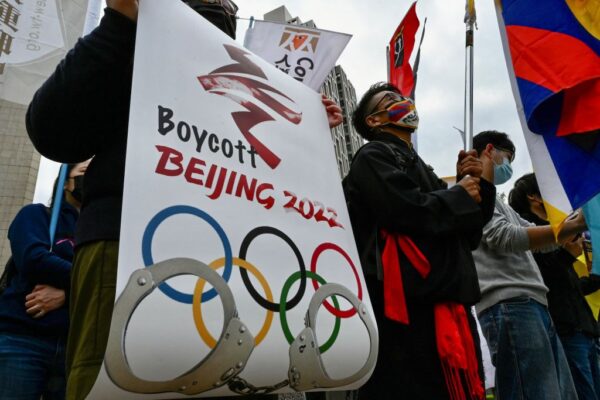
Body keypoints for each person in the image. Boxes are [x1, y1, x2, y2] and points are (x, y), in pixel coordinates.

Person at [26, 1, 342, 399]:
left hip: (238, 262)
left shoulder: (249, 83)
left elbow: (275, 189)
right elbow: (53, 129)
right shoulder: (132, 43)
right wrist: (119, 23)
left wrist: (306, 132)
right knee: (118, 381)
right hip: (127, 247)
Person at [343, 82, 496, 400]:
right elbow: (403, 209)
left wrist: (475, 184)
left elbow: (467, 234)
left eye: (402, 97)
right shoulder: (372, 156)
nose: (403, 101)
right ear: (374, 120)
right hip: (406, 306)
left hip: (447, 300)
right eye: (390, 99)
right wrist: (457, 195)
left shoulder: (422, 167)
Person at [471, 130, 588, 400]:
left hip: (532, 303)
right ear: (489, 150)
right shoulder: (473, 192)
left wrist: (576, 221)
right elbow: (505, 236)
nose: (508, 167)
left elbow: (540, 239)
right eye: (507, 158)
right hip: (509, 303)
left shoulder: (499, 203)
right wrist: (575, 225)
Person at [0, 162, 88, 400]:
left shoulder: (99, 232)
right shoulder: (35, 215)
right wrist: (84, 281)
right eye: (84, 172)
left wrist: (66, 295)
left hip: (74, 350)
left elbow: (111, 283)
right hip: (22, 341)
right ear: (65, 182)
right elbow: (34, 260)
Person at [509, 172, 600, 400]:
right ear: (533, 196)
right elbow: (542, 278)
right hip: (565, 330)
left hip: (585, 328)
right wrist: (567, 254)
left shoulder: (558, 227)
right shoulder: (530, 232)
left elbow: (571, 286)